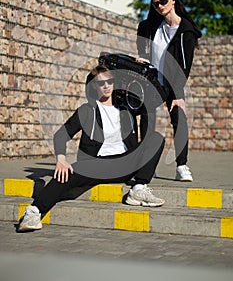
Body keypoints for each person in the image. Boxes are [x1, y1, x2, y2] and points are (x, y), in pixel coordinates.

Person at [18, 65, 165, 232]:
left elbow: (155, 97)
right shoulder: (87, 111)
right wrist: (61, 159)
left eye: (110, 81)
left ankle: (138, 188)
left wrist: (141, 66)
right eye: (101, 83)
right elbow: (60, 135)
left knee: (156, 138)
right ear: (94, 86)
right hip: (96, 165)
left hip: (125, 163)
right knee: (65, 173)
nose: (106, 86)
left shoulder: (127, 108)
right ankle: (34, 212)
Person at [136, 0, 202, 182]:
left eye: (163, 1)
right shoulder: (151, 25)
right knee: (147, 115)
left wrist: (179, 96)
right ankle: (147, 165)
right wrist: (143, 58)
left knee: (179, 118)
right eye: (156, 4)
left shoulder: (185, 32)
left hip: (173, 81)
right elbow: (143, 45)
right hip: (154, 78)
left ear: (173, 0)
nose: (160, 6)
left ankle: (182, 166)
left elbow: (184, 67)